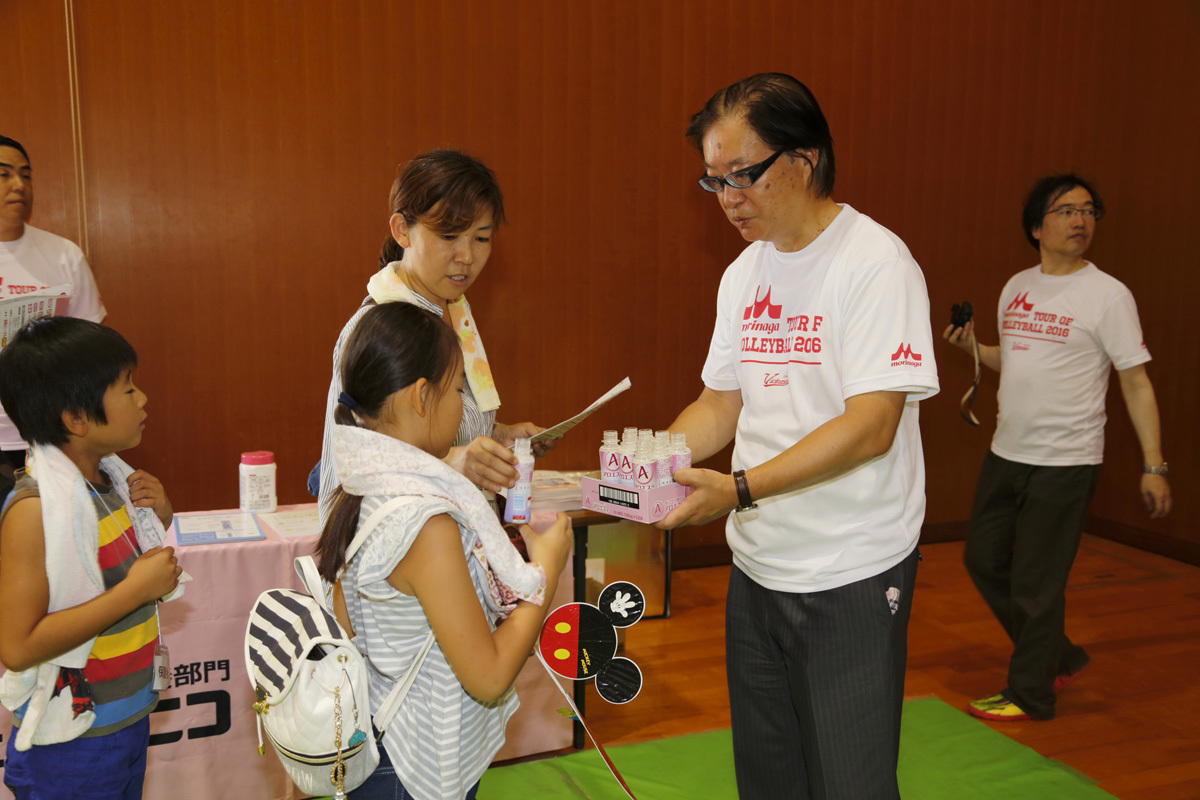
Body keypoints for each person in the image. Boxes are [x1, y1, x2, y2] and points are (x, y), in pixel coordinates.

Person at [658, 73, 939, 799]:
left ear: (805, 159)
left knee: (850, 782)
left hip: (851, 568)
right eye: (713, 180)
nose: (728, 198)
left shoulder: (876, 263)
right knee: (770, 778)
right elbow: (719, 405)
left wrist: (740, 489)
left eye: (742, 174)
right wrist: (650, 463)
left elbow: (872, 426)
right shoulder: (744, 274)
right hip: (758, 568)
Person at [315, 302, 571, 799]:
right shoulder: (425, 522)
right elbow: (489, 676)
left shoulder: (362, 485)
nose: (462, 409)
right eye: (458, 390)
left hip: (385, 742)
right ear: (420, 397)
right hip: (416, 769)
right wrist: (545, 575)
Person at [943, 174, 1171, 722]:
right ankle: (1057, 655)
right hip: (1007, 453)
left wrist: (1154, 465)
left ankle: (1031, 693)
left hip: (1066, 463)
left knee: (1037, 585)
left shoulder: (1108, 295)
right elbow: (1016, 360)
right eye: (1066, 210)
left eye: (1089, 210)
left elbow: (1136, 382)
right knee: (983, 559)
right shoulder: (1017, 286)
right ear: (1036, 227)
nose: (1080, 220)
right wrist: (976, 347)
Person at [316, 149, 551, 524]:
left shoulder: (452, 311)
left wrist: (497, 434)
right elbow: (359, 462)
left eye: (481, 238)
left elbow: (426, 424)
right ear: (401, 230)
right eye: (448, 235)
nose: (466, 256)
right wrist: (452, 463)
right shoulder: (385, 327)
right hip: (400, 549)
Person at [0, 316, 182, 799]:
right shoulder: (35, 510)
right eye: (126, 389)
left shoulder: (111, 484)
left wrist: (158, 516)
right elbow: (18, 646)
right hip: (71, 738)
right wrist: (135, 592)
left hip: (123, 720)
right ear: (76, 418)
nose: (141, 399)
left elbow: (111, 568)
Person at [0, 136, 107, 502]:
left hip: (50, 434)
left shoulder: (63, 254)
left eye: (25, 175)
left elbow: (91, 347)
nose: (19, 185)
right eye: (3, 174)